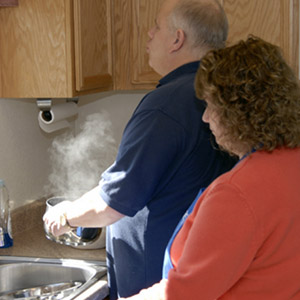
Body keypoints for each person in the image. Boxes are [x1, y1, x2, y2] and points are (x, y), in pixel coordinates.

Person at [43, 0, 236, 298]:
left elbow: (114, 202)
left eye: (157, 26)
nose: (148, 33)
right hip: (206, 271)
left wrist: (66, 215)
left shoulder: (166, 105)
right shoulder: (227, 91)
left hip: (157, 279)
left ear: (177, 39)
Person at [119, 35, 300, 300]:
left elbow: (184, 294)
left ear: (237, 112)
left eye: (210, 106)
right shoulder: (291, 159)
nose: (204, 117)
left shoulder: (236, 193)